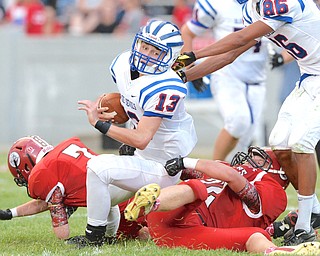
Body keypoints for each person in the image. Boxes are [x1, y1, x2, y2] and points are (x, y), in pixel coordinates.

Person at [172, 0, 320, 246]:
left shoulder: (284, 3)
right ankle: (314, 210)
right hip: (309, 77)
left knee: (301, 143)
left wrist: (195, 54)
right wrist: (182, 74)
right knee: (280, 145)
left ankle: (304, 226)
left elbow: (239, 39)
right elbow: (230, 54)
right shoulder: (252, 9)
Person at [76, 18, 198, 247]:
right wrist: (115, 110)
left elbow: (142, 138)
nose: (146, 54)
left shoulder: (166, 86)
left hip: (165, 166)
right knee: (96, 189)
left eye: (155, 51)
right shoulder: (123, 64)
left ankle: (93, 238)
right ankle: (105, 234)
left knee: (98, 167)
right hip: (144, 157)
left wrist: (100, 124)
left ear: (170, 57)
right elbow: (132, 101)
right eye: (144, 46)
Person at [124, 147, 320, 254]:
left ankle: (276, 252)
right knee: (197, 188)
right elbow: (181, 171)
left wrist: (186, 162)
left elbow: (234, 179)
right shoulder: (224, 168)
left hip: (186, 231)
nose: (250, 159)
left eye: (260, 159)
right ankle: (151, 203)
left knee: (256, 234)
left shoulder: (272, 189)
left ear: (280, 174)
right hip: (175, 211)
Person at [2, 134, 182, 245]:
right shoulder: (64, 150)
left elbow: (61, 233)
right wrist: (10, 213)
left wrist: (60, 215)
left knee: (147, 232)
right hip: (121, 180)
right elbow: (42, 203)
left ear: (26, 165)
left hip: (115, 200)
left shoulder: (45, 173)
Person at [180, 0, 270, 161]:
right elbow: (187, 32)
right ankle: (212, 172)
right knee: (237, 122)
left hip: (257, 79)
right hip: (227, 74)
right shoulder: (216, 4)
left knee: (245, 138)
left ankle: (229, 176)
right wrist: (192, 69)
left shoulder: (269, 4)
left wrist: (280, 58)